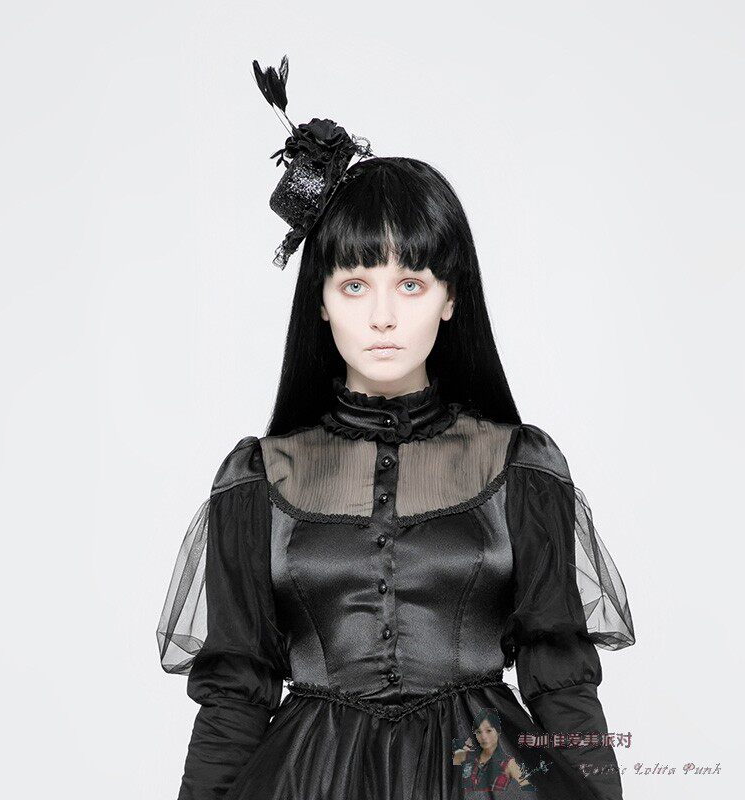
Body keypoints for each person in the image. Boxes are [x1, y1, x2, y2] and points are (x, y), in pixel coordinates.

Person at [156, 56, 636, 800]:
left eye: (410, 283)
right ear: (320, 302)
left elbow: (562, 685)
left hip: (488, 778)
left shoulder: (521, 469)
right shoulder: (257, 481)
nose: (382, 316)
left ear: (450, 297)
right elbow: (233, 702)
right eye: (355, 284)